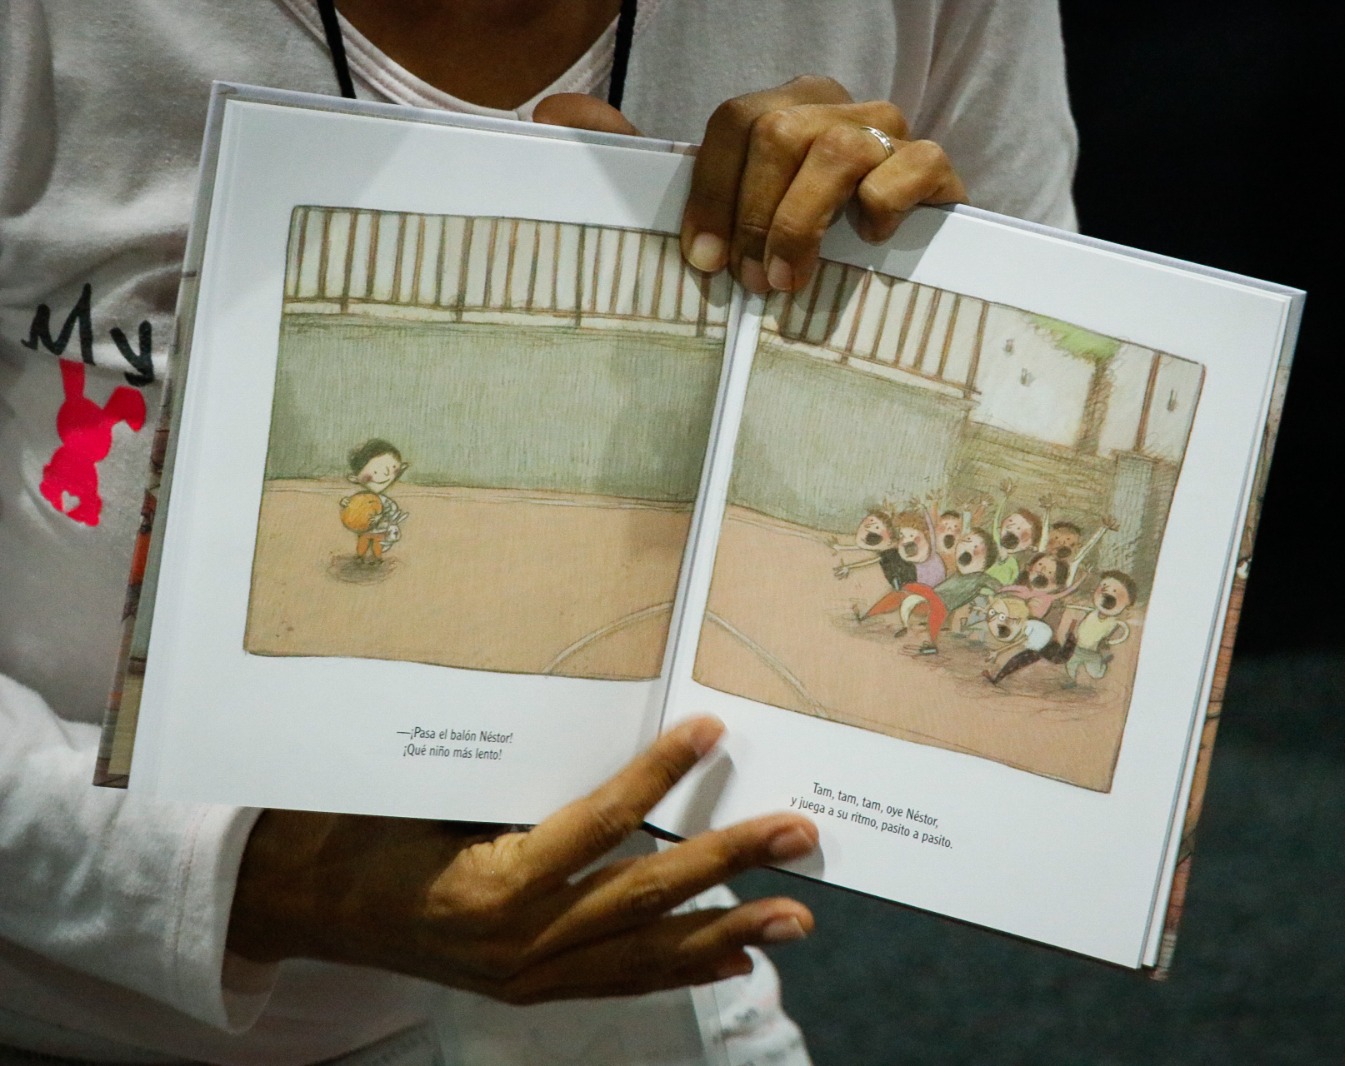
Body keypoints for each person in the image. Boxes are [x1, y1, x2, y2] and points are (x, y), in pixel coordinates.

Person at [0, 1, 1079, 1062]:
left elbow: (1048, 347)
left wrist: (914, 265)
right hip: (82, 999)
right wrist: (245, 877)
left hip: (629, 965)